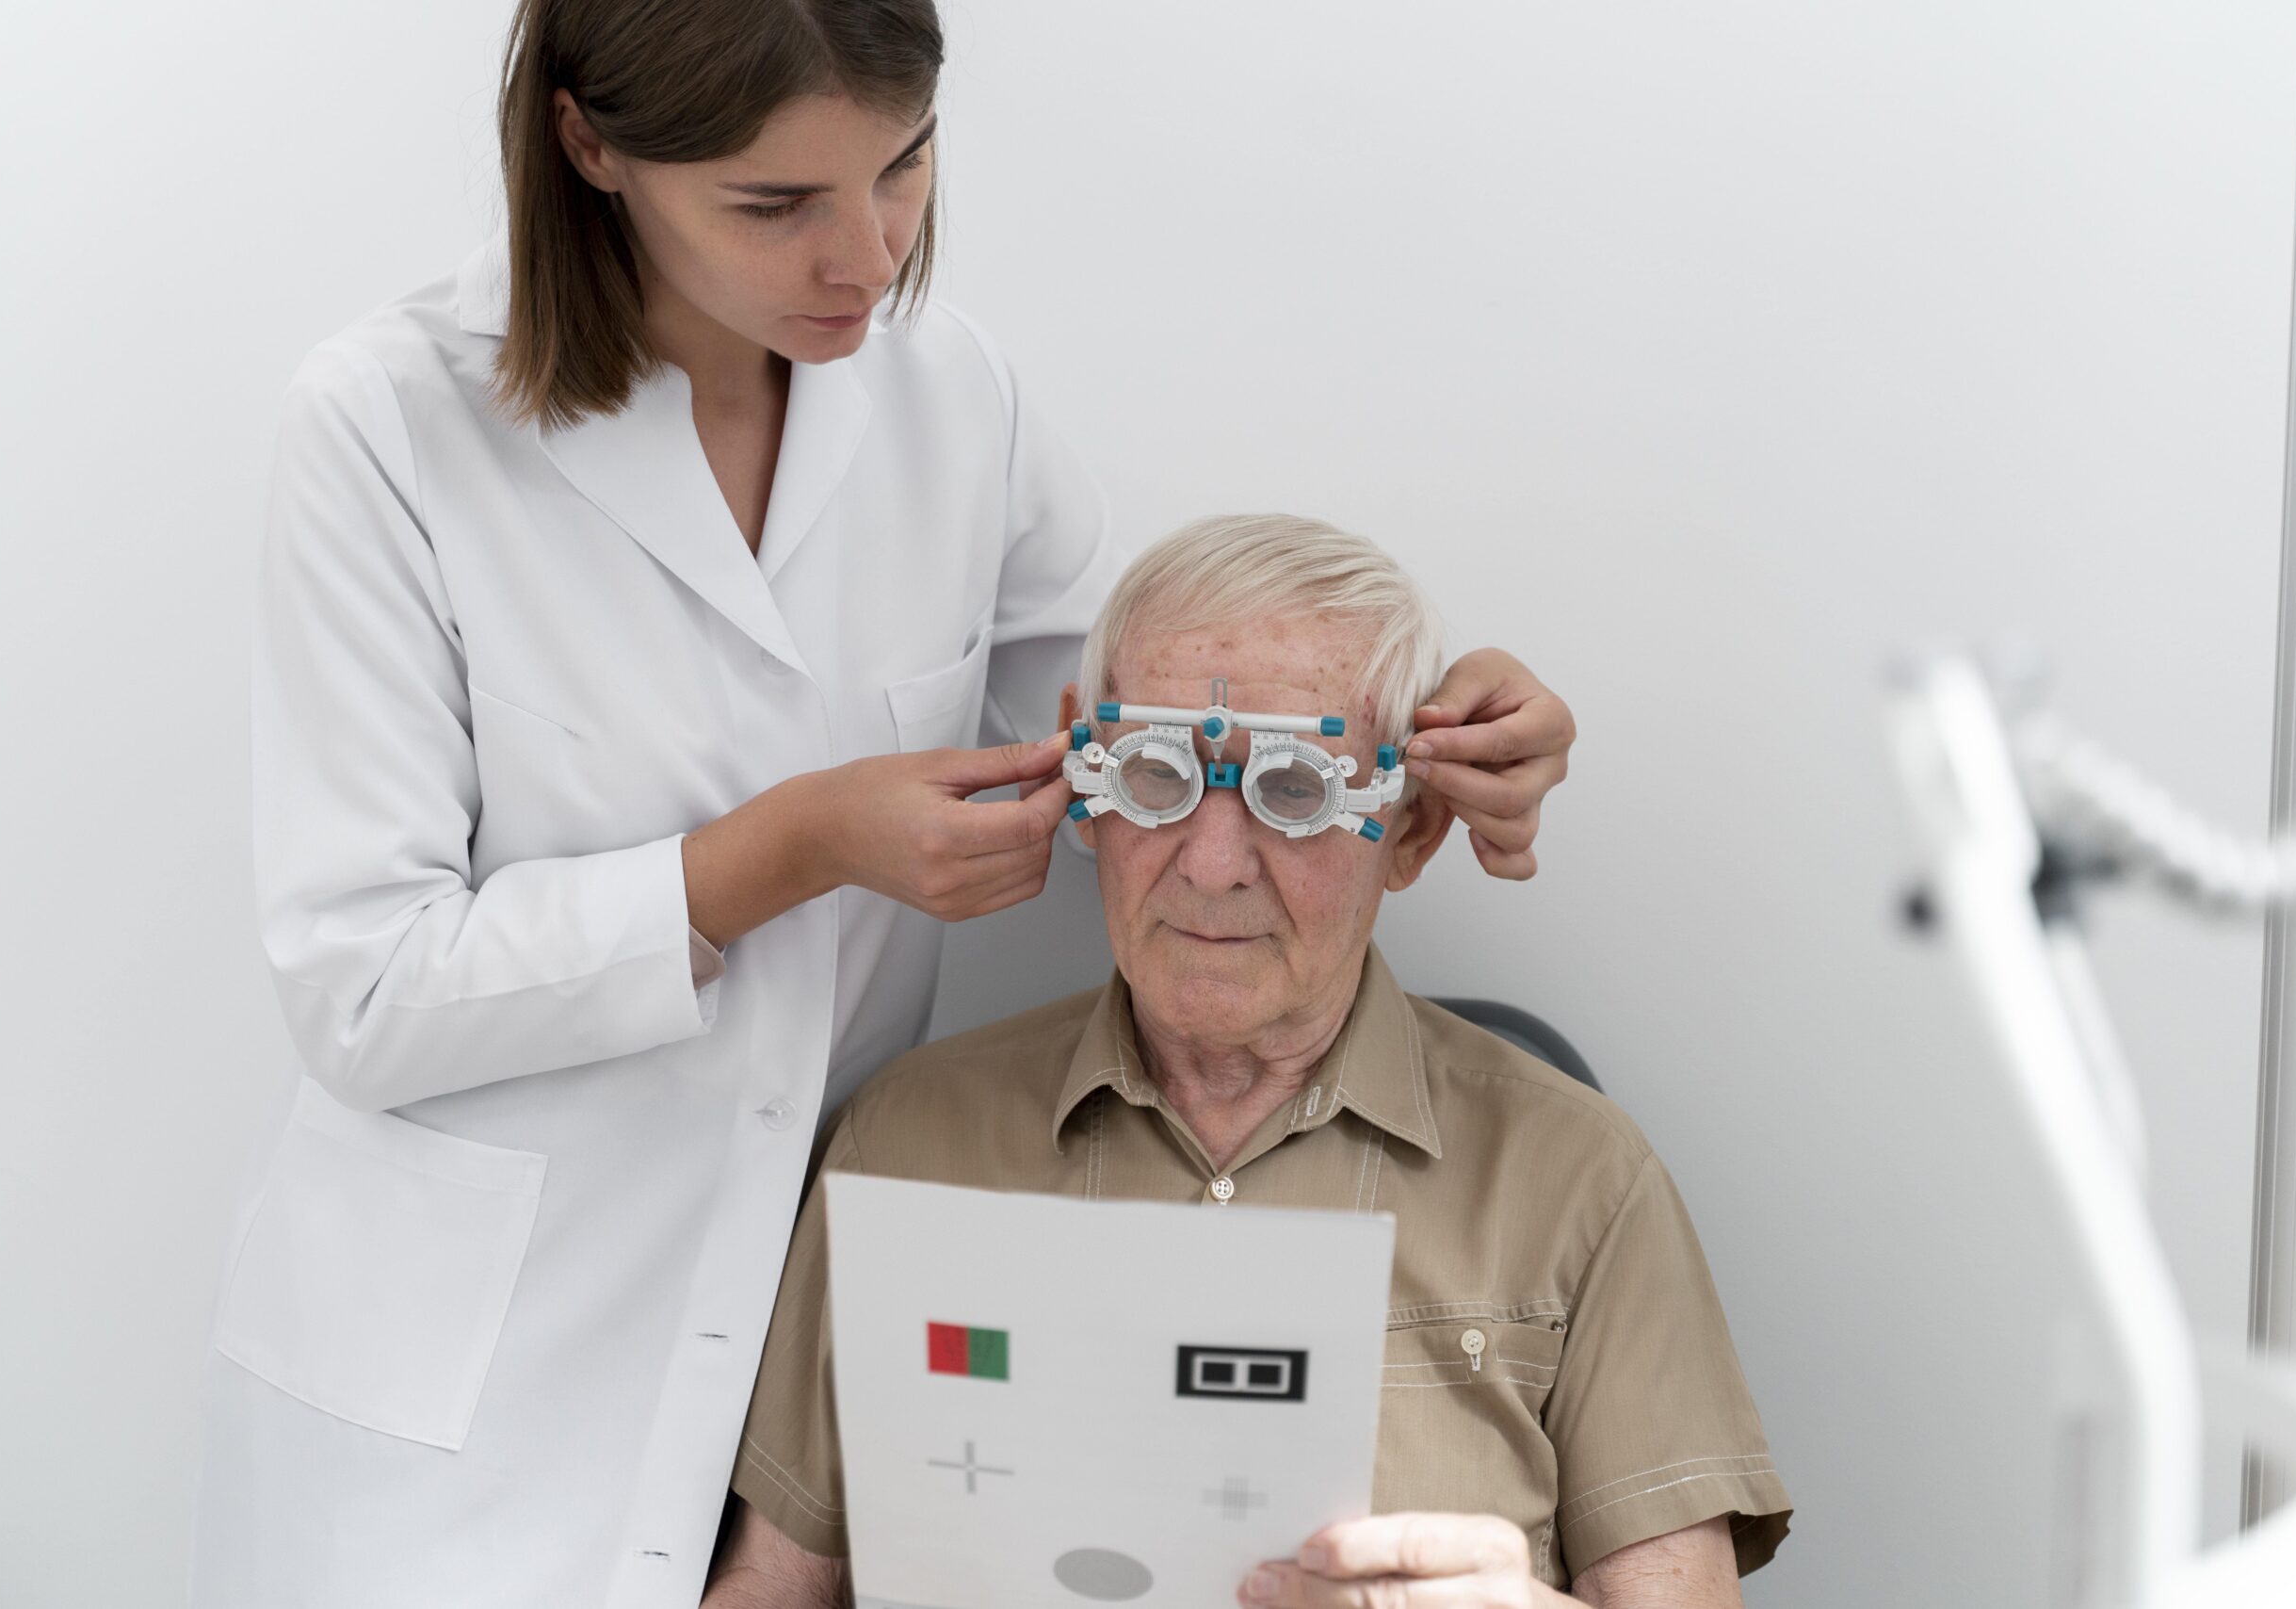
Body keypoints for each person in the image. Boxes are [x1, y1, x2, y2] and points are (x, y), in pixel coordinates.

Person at [191, 3, 1576, 1604]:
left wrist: (1428, 715)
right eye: (775, 206)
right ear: (591, 146)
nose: (866, 257)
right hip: (461, 1398)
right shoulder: (386, 429)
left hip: (800, 1356)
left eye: (904, 169)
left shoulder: (946, 391)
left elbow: (1133, 740)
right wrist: (790, 847)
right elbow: (362, 991)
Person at [705, 516, 1787, 1609]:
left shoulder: (1577, 1178)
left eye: (1295, 788)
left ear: (1408, 832)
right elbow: (771, 1587)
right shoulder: (906, 1145)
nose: (1212, 866)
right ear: (1087, 779)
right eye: (1156, 772)